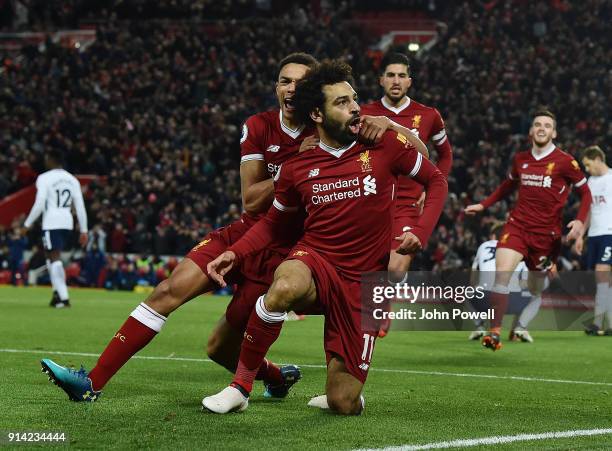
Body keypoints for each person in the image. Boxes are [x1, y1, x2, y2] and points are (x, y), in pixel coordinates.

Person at [39, 52, 319, 402]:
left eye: (301, 82)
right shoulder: (259, 125)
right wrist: (296, 162)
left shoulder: (326, 131)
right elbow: (251, 198)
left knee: (218, 350)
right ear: (276, 87)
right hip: (245, 231)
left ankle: (277, 375)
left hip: (281, 249)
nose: (292, 88)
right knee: (167, 290)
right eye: (285, 80)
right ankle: (90, 384)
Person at [202, 60, 447, 415]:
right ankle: (240, 387)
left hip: (364, 281)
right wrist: (235, 253)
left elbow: (435, 179)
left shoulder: (382, 145)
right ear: (317, 113)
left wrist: (419, 232)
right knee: (283, 286)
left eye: (354, 99)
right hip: (315, 259)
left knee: (342, 403)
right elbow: (273, 225)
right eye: (342, 103)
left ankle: (344, 391)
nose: (354, 108)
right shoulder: (297, 167)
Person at [465, 110, 591, 350]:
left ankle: (518, 324)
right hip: (517, 226)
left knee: (536, 287)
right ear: (531, 131)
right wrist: (484, 205)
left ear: (554, 132)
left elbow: (585, 193)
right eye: (537, 124)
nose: (542, 128)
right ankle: (494, 332)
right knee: (502, 273)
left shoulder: (566, 161)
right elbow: (507, 186)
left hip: (547, 236)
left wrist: (580, 222)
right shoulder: (521, 158)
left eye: (547, 125)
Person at [361, 52, 452, 337]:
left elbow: (445, 154)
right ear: (381, 80)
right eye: (391, 75)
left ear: (409, 81)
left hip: (407, 202)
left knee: (397, 267)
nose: (396, 81)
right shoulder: (365, 112)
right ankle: (368, 310)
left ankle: (381, 307)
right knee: (371, 265)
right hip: (371, 200)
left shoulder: (428, 115)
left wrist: (433, 183)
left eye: (401, 75)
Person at [23, 149, 88, 307]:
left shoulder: (44, 178)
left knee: (54, 258)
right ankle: (56, 295)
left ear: (51, 160)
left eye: (46, 158)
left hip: (51, 222)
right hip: (67, 223)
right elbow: (80, 206)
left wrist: (27, 223)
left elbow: (39, 203)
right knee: (50, 257)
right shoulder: (72, 180)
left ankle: (64, 298)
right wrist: (84, 229)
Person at [469, 222, 542, 343]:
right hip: (511, 301)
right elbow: (524, 283)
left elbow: (472, 278)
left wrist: (476, 288)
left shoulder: (484, 246)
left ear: (493, 236)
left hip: (484, 300)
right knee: (537, 297)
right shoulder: (521, 249)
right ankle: (520, 327)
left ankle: (479, 326)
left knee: (461, 294)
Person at [575, 145, 612, 335]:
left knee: (602, 274)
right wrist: (581, 235)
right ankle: (607, 325)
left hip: (610, 233)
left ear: (598, 159)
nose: (587, 170)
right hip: (595, 235)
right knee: (604, 281)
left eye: (588, 165)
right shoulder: (590, 181)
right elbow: (589, 211)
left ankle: (598, 323)